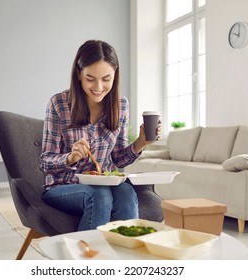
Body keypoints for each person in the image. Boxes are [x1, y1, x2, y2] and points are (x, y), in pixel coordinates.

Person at [40, 40, 161, 231]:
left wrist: (140, 143)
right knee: (99, 195)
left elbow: (118, 159)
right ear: (79, 74)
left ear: (115, 75)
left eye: (106, 79)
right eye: (90, 78)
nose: (98, 86)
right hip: (62, 186)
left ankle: (126, 253)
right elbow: (45, 162)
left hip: (106, 181)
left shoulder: (120, 105)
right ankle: (88, 257)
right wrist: (70, 158)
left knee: (127, 194)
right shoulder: (59, 103)